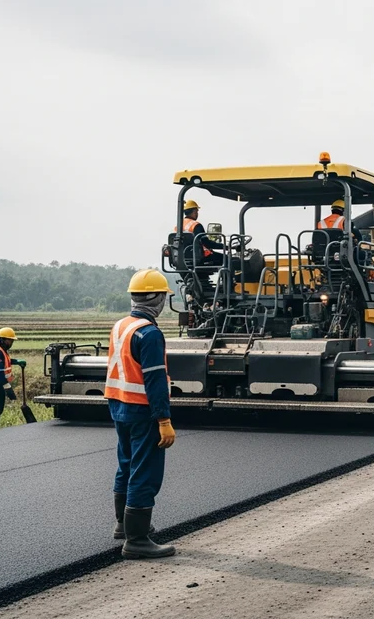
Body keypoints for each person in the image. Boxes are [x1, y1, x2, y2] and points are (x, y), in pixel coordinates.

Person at [105, 269, 177, 559]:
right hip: (143, 410)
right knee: (144, 471)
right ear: (157, 298)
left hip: (119, 406)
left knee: (126, 464)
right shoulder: (149, 333)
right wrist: (164, 420)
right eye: (163, 296)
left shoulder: (121, 325)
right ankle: (137, 540)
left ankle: (123, 524)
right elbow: (155, 380)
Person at [174, 200, 224, 268]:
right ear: (194, 211)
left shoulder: (177, 227)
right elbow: (207, 243)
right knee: (227, 260)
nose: (197, 213)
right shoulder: (196, 225)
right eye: (197, 211)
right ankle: (228, 278)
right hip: (199, 258)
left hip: (182, 259)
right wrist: (226, 247)